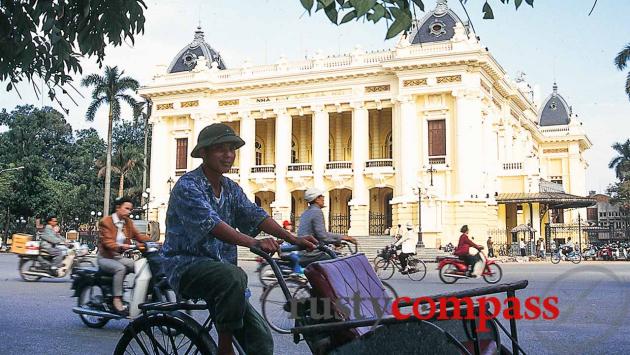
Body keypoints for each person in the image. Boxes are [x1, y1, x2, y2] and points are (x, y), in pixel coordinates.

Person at [160, 123, 318, 355]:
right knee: (234, 275)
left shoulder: (230, 188)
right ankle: (226, 350)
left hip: (223, 275)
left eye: (232, 149)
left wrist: (292, 238)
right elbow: (213, 225)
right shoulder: (188, 186)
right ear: (203, 153)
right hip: (187, 267)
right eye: (220, 149)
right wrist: (254, 243)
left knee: (261, 342)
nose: (228, 155)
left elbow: (256, 215)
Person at [97, 196, 151, 314]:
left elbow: (139, 236)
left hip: (119, 257)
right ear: (118, 208)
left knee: (140, 267)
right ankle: (117, 299)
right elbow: (107, 241)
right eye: (126, 208)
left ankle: (140, 295)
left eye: (130, 209)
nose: (129, 211)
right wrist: (120, 246)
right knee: (120, 268)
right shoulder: (105, 221)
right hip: (105, 257)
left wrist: (153, 241)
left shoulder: (128, 222)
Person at [297, 187, 357, 266]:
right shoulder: (317, 212)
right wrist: (343, 238)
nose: (323, 198)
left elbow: (319, 234)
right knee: (340, 264)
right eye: (321, 196)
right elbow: (323, 236)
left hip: (303, 252)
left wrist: (338, 239)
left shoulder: (306, 212)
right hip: (312, 254)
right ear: (316, 199)